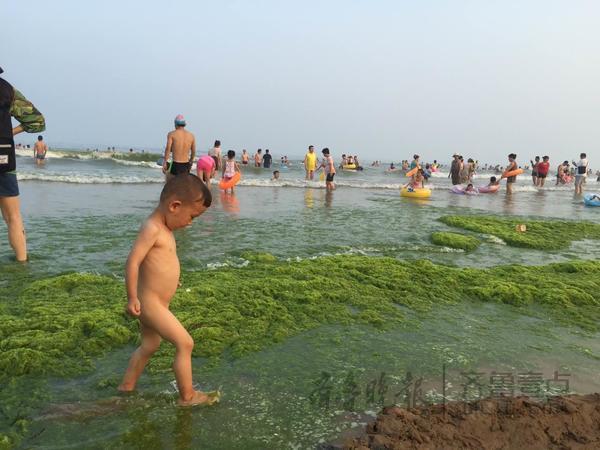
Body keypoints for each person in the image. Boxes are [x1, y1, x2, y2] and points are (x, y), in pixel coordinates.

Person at [118, 174, 219, 407]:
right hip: (149, 302)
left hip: (157, 302)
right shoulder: (152, 228)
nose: (191, 223)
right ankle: (188, 396)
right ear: (175, 206)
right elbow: (133, 261)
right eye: (192, 216)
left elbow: (159, 264)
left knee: (150, 345)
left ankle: (127, 386)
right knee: (185, 343)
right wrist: (132, 296)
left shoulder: (165, 229)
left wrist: (173, 280)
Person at [0, 66, 46, 262]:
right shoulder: (7, 90)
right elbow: (37, 121)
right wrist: (9, 132)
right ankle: (21, 262)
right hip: (3, 156)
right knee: (13, 217)